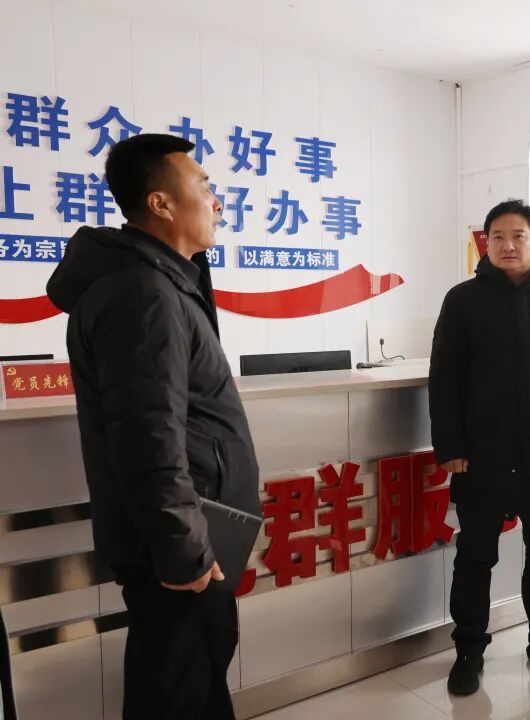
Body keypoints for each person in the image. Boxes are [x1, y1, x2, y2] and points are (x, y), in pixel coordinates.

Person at [46, 133, 262, 720]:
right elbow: (148, 437)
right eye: (205, 186)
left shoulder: (161, 282)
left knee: (193, 683)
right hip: (180, 548)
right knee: (175, 692)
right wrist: (184, 550)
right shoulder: (143, 292)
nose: (217, 202)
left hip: (192, 535)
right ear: (162, 203)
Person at [429, 198, 530, 696]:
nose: (507, 245)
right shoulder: (463, 301)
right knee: (475, 556)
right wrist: (450, 444)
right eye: (497, 236)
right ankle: (469, 649)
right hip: (483, 453)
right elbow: (444, 377)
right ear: (486, 244)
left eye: (518, 236)